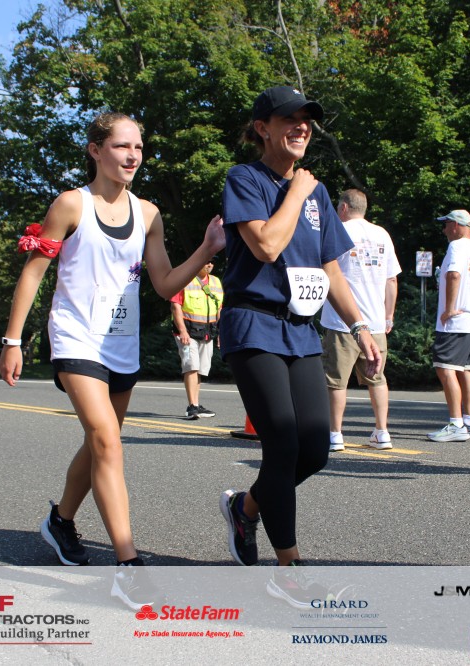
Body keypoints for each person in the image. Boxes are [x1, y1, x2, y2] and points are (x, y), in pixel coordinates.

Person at [0, 112, 225, 609]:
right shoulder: (71, 204)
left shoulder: (148, 214)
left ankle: (61, 521)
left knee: (101, 443)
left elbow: (165, 283)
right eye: (122, 146)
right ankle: (128, 566)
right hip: (76, 339)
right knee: (106, 440)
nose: (132, 155)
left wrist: (207, 248)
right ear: (96, 150)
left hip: (120, 344)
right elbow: (34, 272)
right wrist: (13, 340)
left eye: (139, 147)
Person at [217, 86, 381, 604]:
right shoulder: (245, 179)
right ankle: (288, 571)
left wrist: (360, 326)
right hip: (253, 323)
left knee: (314, 448)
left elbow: (331, 268)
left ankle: (245, 508)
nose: (302, 127)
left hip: (301, 330)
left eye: (307, 120)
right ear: (262, 127)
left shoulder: (317, 193)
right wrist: (296, 193)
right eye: (290, 118)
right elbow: (266, 245)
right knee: (282, 444)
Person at [320, 188, 401, 451]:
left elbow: (326, 270)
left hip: (342, 320)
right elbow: (391, 279)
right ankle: (382, 432)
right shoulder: (382, 234)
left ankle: (335, 434)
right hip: (374, 321)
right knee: (378, 377)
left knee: (336, 380)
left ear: (344, 207)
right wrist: (388, 315)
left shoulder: (338, 230)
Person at [426, 209, 470, 442]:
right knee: (467, 371)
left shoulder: (457, 247)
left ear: (455, 225)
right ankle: (469, 421)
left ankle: (456, 424)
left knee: (445, 368)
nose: (444, 229)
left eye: (446, 224)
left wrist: (450, 308)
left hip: (456, 322)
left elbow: (453, 275)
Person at [170, 259, 222, 419]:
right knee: (191, 366)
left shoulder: (216, 282)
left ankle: (196, 405)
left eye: (212, 262)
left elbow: (219, 308)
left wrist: (220, 333)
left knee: (200, 369)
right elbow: (175, 306)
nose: (209, 265)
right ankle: (191, 406)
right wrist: (182, 331)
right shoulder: (185, 279)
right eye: (206, 261)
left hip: (207, 333)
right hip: (188, 332)